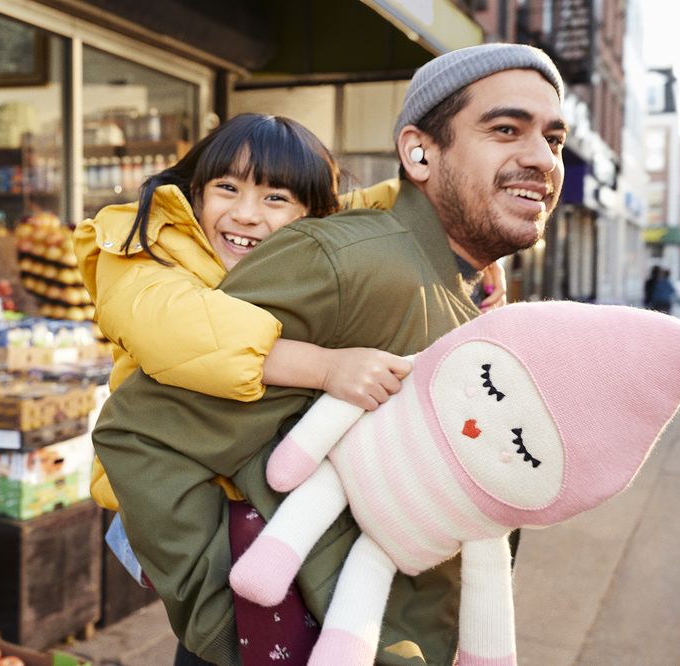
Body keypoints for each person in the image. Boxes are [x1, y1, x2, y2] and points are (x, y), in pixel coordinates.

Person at [91, 42, 566, 665]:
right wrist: (223, 629)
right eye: (505, 129)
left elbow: (355, 205)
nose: (247, 214)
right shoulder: (161, 263)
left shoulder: (390, 259)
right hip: (250, 603)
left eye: (554, 140)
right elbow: (144, 419)